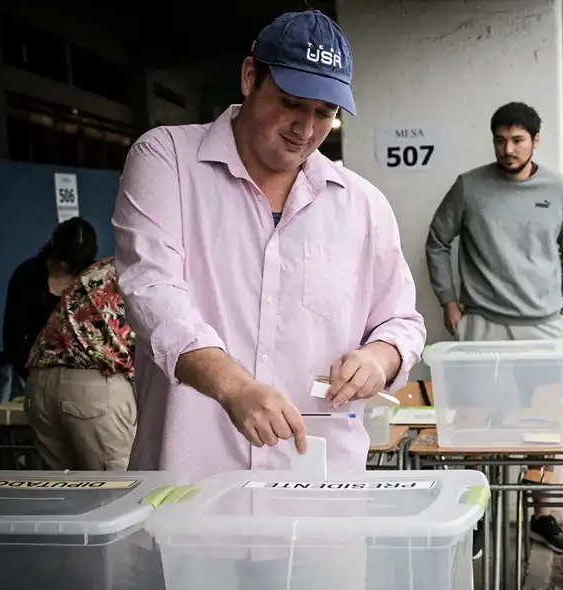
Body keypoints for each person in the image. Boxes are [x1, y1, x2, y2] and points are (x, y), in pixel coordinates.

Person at [112, 10, 426, 482]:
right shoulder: (169, 160)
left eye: (324, 113)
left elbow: (401, 320)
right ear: (249, 76)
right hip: (192, 477)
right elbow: (152, 290)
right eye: (291, 102)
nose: (305, 128)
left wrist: (378, 359)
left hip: (320, 483)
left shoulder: (363, 204)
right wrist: (234, 387)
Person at [426, 101, 563, 555]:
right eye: (500, 140)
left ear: (536, 141)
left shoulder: (558, 188)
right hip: (482, 324)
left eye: (517, 140)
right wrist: (449, 301)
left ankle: (543, 514)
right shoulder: (470, 186)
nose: (508, 148)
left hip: (543, 328)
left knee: (544, 428)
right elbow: (438, 241)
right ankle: (475, 517)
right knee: (476, 426)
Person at [24, 257, 137, 471]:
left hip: (40, 384)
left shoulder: (102, 267)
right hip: (95, 387)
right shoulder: (162, 277)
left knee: (67, 495)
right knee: (115, 494)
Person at [3, 217, 99, 390]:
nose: (67, 268)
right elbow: (13, 338)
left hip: (88, 375)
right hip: (40, 372)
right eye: (65, 260)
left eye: (75, 266)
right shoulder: (28, 276)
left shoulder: (94, 278)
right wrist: (33, 378)